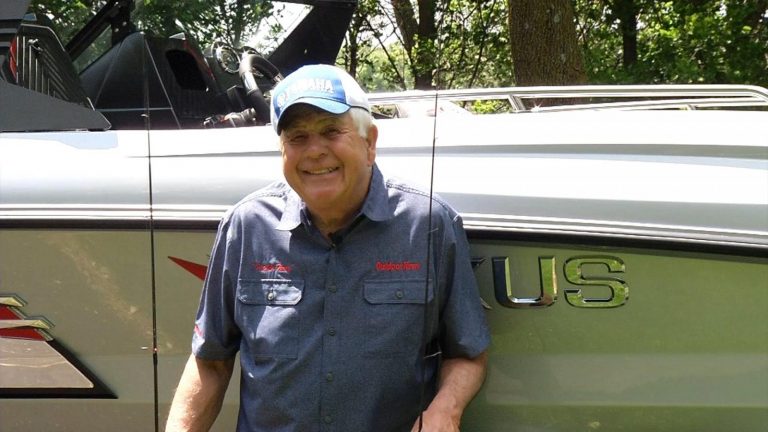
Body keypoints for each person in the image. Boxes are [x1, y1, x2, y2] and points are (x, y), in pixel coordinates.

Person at [166, 64, 490, 432]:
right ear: (282, 149)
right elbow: (211, 361)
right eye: (297, 137)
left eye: (331, 131)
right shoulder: (246, 226)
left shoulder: (428, 223)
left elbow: (468, 353)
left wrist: (446, 410)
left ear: (370, 143)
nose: (315, 151)